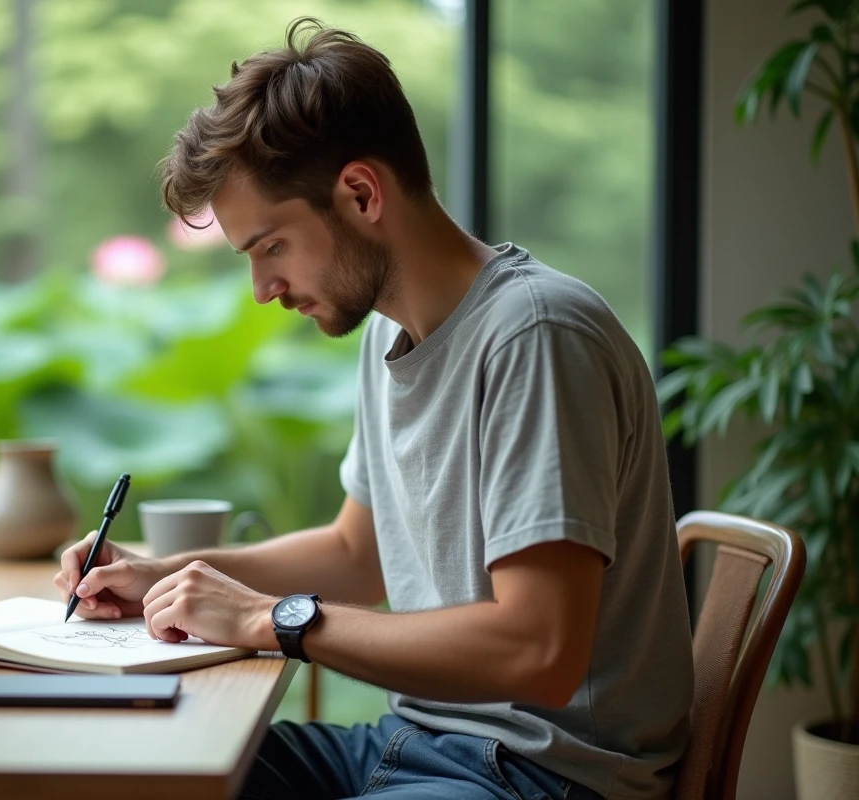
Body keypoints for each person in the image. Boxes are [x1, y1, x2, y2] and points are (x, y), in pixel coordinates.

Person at [55, 16, 693, 800]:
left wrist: (269, 619)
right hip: (414, 744)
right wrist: (168, 574)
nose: (262, 290)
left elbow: (541, 650)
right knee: (121, 772)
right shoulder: (386, 331)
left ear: (360, 192)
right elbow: (359, 557)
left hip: (537, 774)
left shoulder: (536, 336)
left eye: (271, 248)